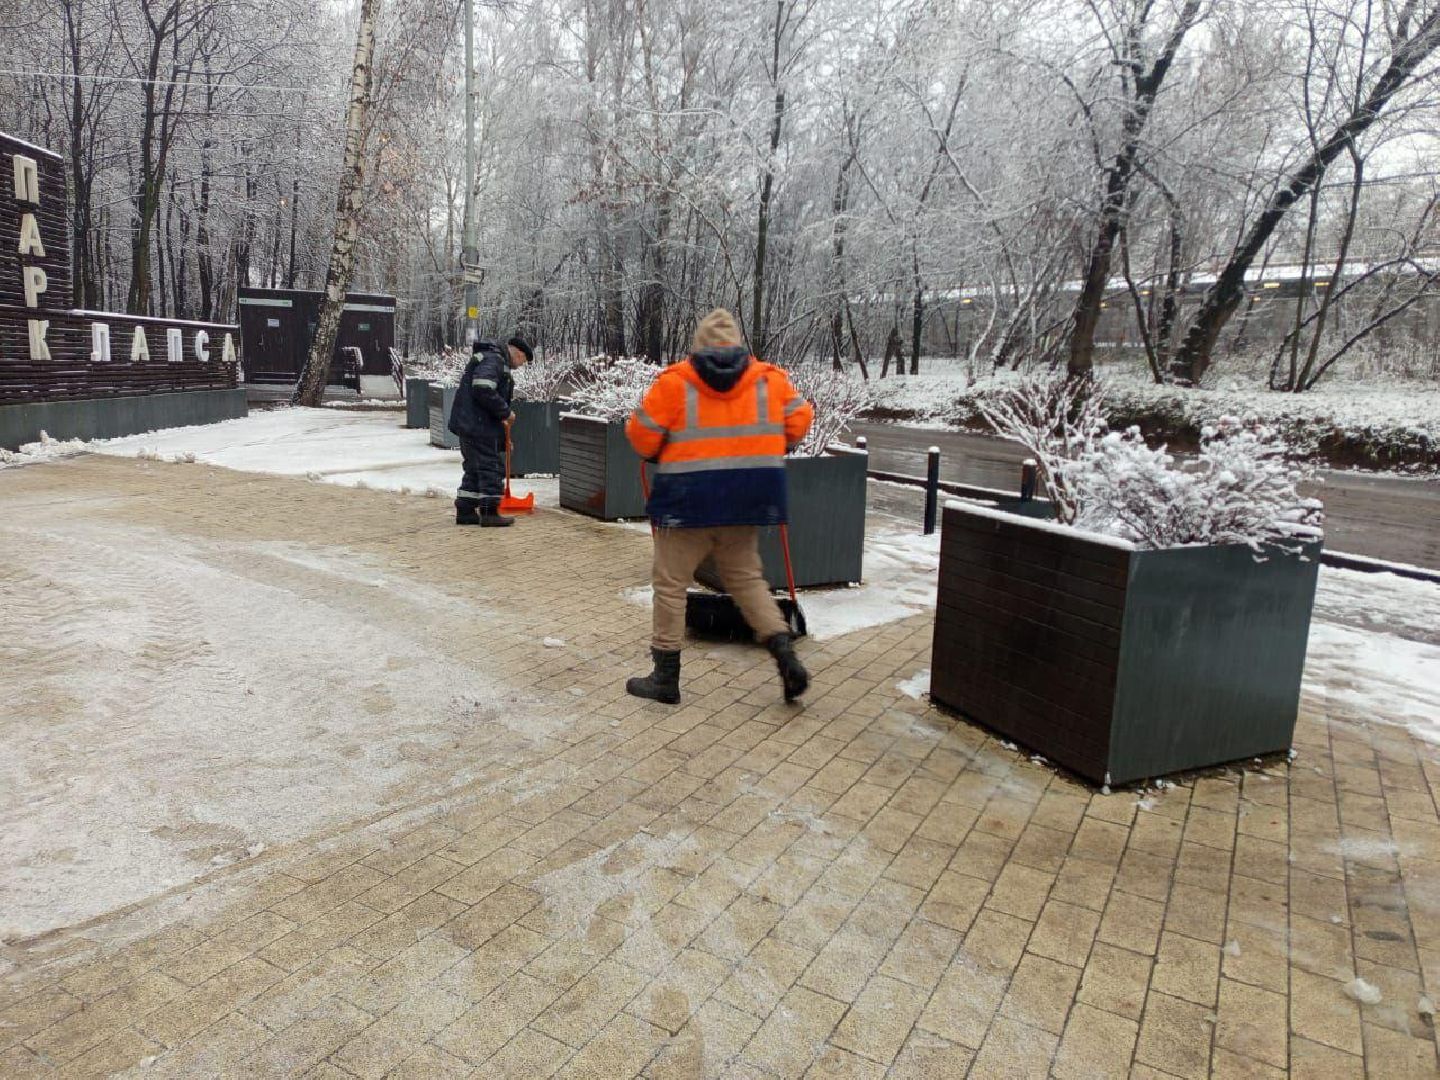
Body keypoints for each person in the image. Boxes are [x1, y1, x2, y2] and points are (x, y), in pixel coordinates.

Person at [624, 308, 814, 705]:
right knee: (746, 580)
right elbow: (800, 420)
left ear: (699, 346)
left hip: (687, 503)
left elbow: (641, 436)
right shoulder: (769, 380)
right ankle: (785, 656)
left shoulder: (676, 382)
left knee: (671, 584)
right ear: (738, 345)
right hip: (746, 502)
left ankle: (665, 677)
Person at [448, 336, 531, 526]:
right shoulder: (495, 359)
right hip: (479, 426)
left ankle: (466, 510)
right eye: (523, 360)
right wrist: (505, 412)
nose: (520, 365)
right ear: (518, 353)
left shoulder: (489, 357)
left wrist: (502, 437)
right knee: (490, 467)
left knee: (474, 467)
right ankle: (489, 512)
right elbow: (483, 388)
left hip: (470, 423)